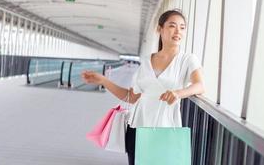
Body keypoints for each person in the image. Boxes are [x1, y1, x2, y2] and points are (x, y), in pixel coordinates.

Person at [81, 9, 205, 165]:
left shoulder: (187, 59)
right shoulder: (146, 61)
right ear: (160, 29)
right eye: (172, 26)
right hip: (138, 126)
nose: (178, 31)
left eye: (182, 27)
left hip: (165, 127)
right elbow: (131, 97)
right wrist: (104, 81)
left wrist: (178, 93)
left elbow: (199, 85)